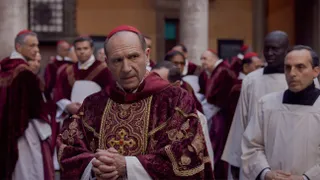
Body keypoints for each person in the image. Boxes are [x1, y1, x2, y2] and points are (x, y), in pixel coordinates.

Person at [57, 25, 214, 180]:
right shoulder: (93, 104)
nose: (126, 68)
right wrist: (95, 165)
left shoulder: (176, 100)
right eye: (117, 60)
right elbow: (69, 149)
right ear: (107, 63)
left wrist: (127, 165)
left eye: (133, 57)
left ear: (146, 55)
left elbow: (187, 155)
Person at [242, 45, 320, 180]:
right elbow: (252, 146)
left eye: (300, 67)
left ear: (315, 71)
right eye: (288, 67)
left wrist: (306, 178)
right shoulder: (266, 104)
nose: (292, 73)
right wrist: (265, 173)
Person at [222, 31, 290, 179]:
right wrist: (235, 161)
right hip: (254, 157)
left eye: (275, 49)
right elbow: (241, 121)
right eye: (267, 48)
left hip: (289, 154)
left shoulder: (298, 80)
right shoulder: (251, 80)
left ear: (286, 50)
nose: (270, 53)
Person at [0, 30, 54, 180]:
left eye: (37, 45)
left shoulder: (4, 70)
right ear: (18, 47)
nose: (36, 49)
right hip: (26, 134)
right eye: (31, 45)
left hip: (4, 134)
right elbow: (37, 111)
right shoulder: (26, 74)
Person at [151, 61, 213, 165]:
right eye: (149, 83)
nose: (151, 89)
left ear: (176, 86)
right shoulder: (140, 111)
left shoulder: (194, 118)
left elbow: (204, 162)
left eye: (159, 85)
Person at [54, 36, 113, 117]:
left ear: (92, 49)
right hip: (73, 117)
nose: (82, 52)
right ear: (74, 50)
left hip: (97, 116)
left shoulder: (104, 69)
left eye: (85, 48)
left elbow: (111, 92)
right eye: (78, 49)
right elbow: (59, 92)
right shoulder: (67, 71)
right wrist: (68, 106)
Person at [200, 49, 237, 179]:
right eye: (201, 59)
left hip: (221, 117)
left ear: (214, 58)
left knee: (217, 147)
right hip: (215, 114)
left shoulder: (224, 71)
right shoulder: (213, 71)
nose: (202, 62)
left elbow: (222, 98)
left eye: (205, 59)